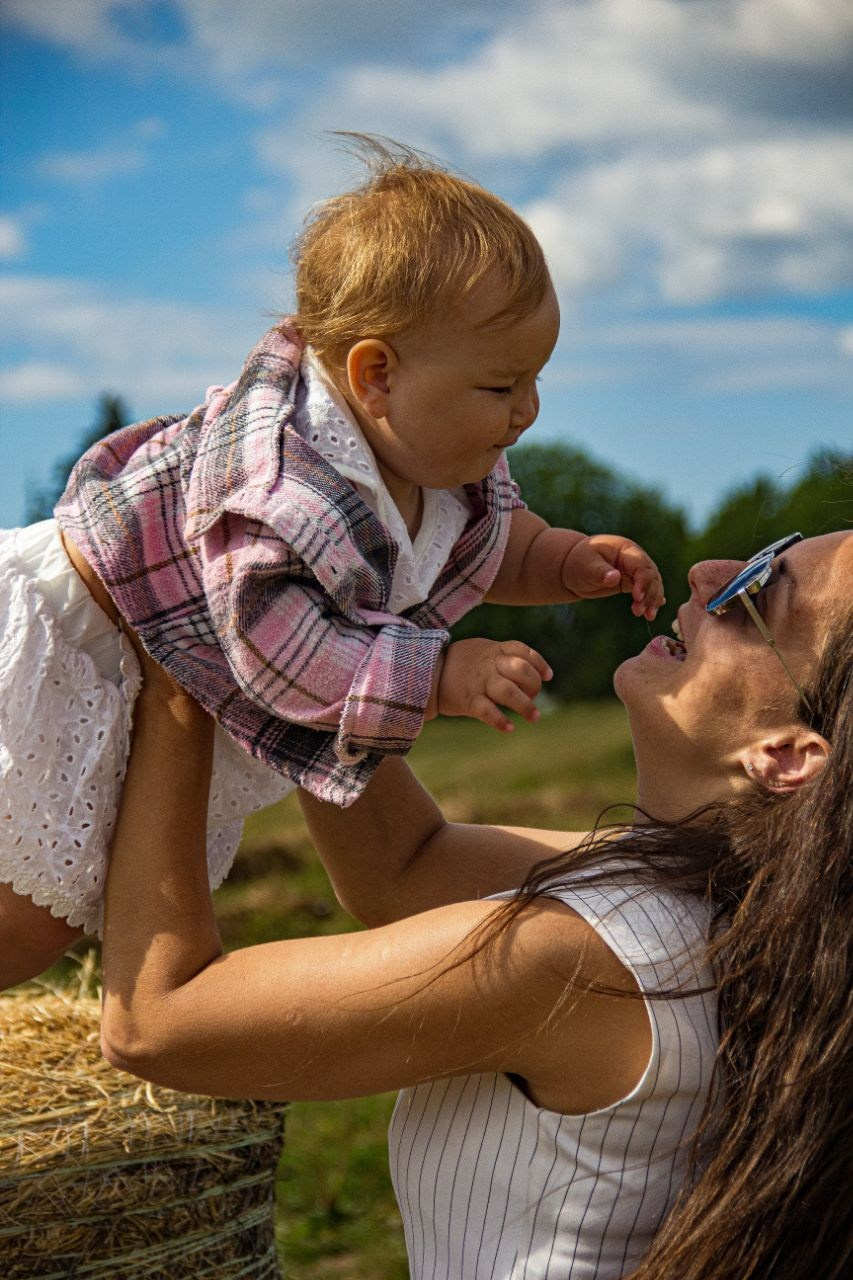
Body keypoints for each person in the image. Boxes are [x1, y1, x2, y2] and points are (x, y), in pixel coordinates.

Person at [99, 530, 852, 1280]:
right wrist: (307, 647)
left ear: (785, 755)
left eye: (758, 588)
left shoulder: (589, 957)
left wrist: (175, 675)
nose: (706, 570)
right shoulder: (731, 903)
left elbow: (157, 1021)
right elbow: (403, 865)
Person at [0, 137, 663, 985]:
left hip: (149, 675)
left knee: (44, 913)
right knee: (23, 916)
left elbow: (490, 539)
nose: (527, 411)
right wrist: (437, 676)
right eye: (502, 387)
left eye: (535, 380)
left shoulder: (432, 454)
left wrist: (567, 561)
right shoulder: (282, 488)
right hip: (73, 650)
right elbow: (275, 645)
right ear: (375, 373)